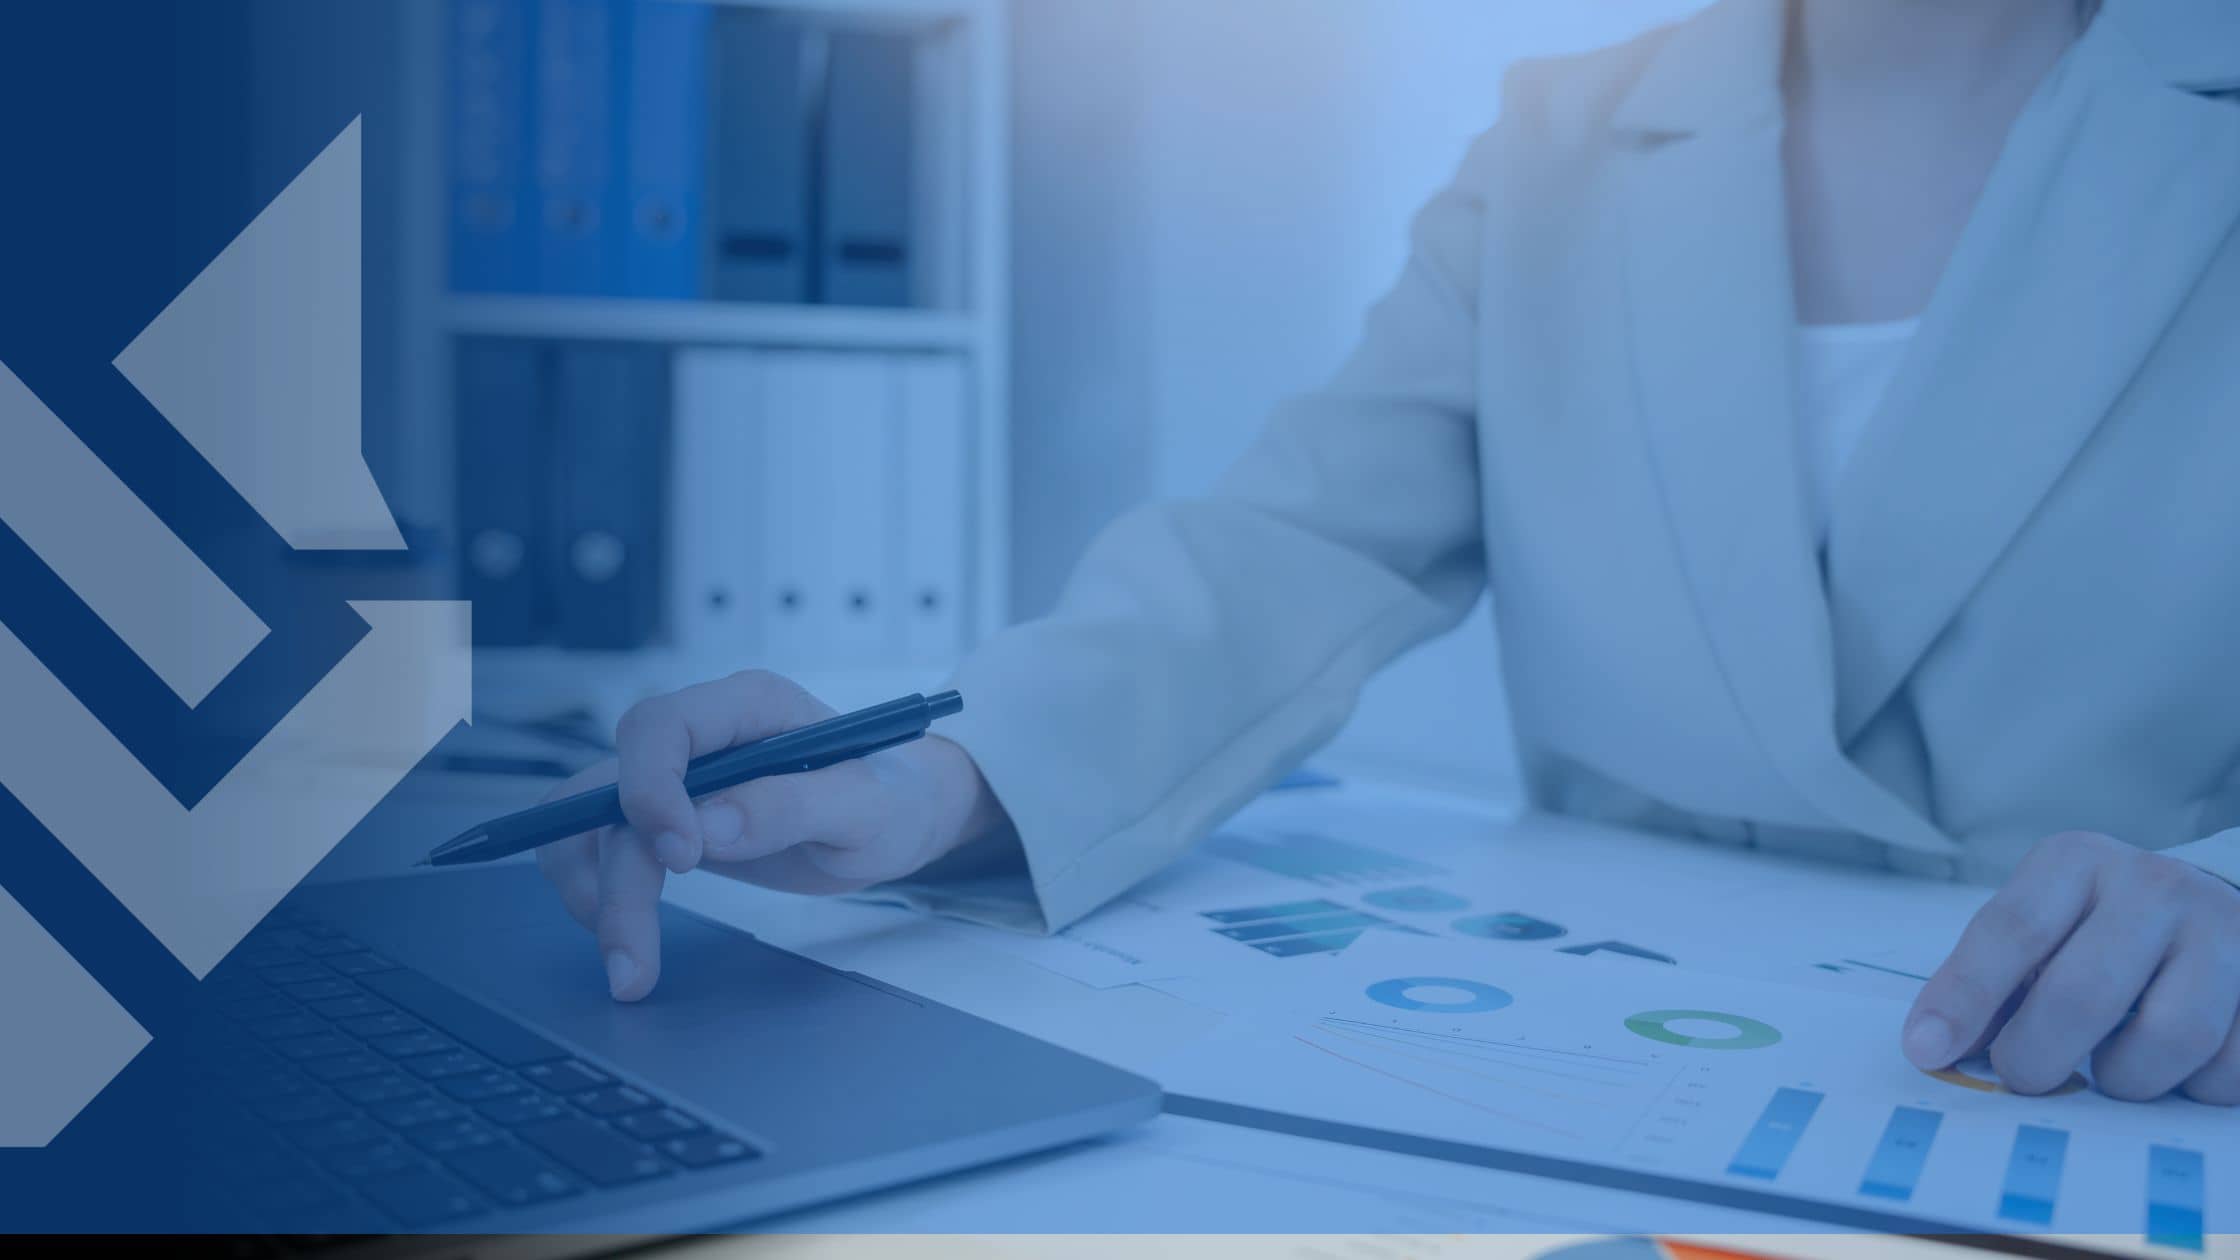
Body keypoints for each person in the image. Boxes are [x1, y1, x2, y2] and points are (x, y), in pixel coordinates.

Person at [538, 0, 2240, 1104]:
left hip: (2098, 1086)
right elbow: (1289, 550)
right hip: (1633, 1090)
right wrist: (943, 775)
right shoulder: (1563, 144)